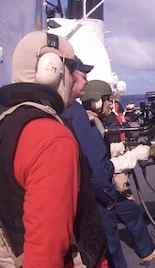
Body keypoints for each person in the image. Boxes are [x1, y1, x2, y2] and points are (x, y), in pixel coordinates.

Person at [0, 31, 108, 268]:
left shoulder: (7, 121)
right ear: (51, 69)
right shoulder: (51, 137)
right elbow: (45, 254)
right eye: (71, 68)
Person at [62, 77, 155, 267]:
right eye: (108, 100)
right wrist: (130, 158)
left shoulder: (88, 118)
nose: (111, 104)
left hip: (101, 186)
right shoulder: (82, 121)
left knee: (131, 210)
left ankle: (147, 251)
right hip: (99, 192)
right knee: (110, 243)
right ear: (96, 101)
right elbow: (97, 167)